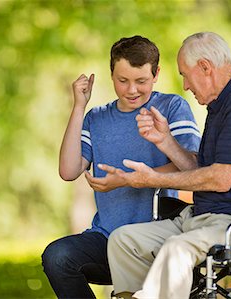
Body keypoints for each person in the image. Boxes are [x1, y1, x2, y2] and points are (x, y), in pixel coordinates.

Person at [85, 32, 231, 298]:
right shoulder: (220, 104)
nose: (186, 85)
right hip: (201, 217)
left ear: (205, 67)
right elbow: (199, 169)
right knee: (123, 240)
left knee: (177, 249)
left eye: (185, 75)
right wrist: (166, 141)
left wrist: (150, 179)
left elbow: (220, 179)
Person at [41, 35, 201, 298]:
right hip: (106, 237)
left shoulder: (171, 107)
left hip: (159, 239)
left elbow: (192, 166)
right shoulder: (97, 118)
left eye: (141, 81)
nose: (132, 90)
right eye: (122, 80)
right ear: (111, 73)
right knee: (57, 257)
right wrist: (79, 107)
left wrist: (128, 179)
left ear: (156, 74)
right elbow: (69, 171)